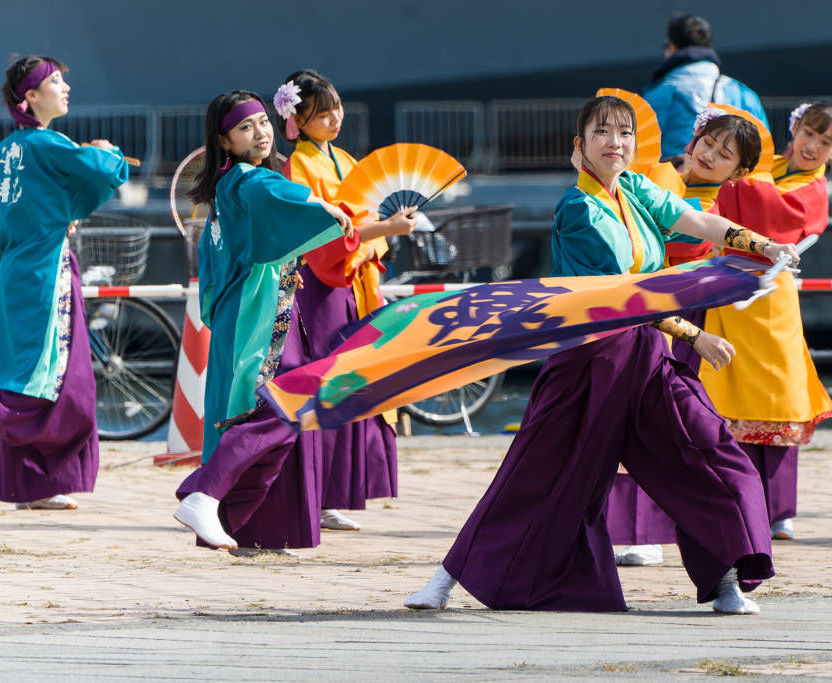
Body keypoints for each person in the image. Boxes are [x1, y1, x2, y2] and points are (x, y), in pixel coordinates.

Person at [405, 94, 798, 615]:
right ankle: (444, 581)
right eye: (603, 133)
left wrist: (764, 246)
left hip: (648, 357)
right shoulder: (577, 208)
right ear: (580, 146)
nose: (616, 143)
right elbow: (619, 296)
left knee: (708, 448)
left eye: (625, 134)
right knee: (534, 476)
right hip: (590, 362)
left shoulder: (635, 188)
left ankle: (725, 581)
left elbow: (697, 222)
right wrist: (692, 335)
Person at [172, 91, 353, 552]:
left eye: (262, 121)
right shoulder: (246, 182)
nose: (260, 131)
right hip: (259, 313)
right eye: (245, 127)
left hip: (246, 314)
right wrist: (321, 205)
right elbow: (270, 192)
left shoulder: (223, 191)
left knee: (261, 414)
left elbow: (212, 278)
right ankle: (205, 492)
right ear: (224, 141)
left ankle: (255, 530)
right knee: (279, 405)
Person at [0, 55, 128, 510]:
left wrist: (51, 214)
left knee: (34, 364)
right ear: (30, 96)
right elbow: (101, 167)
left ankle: (31, 486)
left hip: (16, 265)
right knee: (50, 372)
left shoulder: (6, 150)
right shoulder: (46, 143)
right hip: (46, 269)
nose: (65, 88)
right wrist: (109, 150)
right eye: (55, 82)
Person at [603, 106, 766, 567]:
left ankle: (648, 532)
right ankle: (607, 529)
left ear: (741, 171)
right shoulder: (650, 176)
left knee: (664, 428)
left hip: (675, 319)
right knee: (618, 424)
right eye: (707, 143)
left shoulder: (710, 210)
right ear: (692, 140)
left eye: (724, 153)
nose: (710, 154)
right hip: (627, 311)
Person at [700, 101, 832, 541]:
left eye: (826, 142)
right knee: (726, 388)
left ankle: (778, 509)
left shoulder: (809, 186)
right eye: (810, 133)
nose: (814, 146)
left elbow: (776, 214)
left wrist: (748, 168)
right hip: (727, 286)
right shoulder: (773, 166)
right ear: (795, 129)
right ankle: (735, 497)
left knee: (776, 397)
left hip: (768, 294)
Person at [277, 70, 417, 531]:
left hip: (354, 285)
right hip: (322, 288)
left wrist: (378, 235)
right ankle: (318, 493)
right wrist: (384, 231)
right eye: (320, 113)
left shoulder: (344, 160)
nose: (334, 118)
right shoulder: (298, 167)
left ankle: (336, 491)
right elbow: (324, 239)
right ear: (296, 120)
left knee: (351, 379)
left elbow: (359, 231)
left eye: (335, 107)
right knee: (325, 380)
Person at [644, 13, 766, 163]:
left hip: (670, 183)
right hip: (729, 184)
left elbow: (641, 151)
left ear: (672, 47)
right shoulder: (745, 95)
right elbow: (761, 151)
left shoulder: (658, 95)